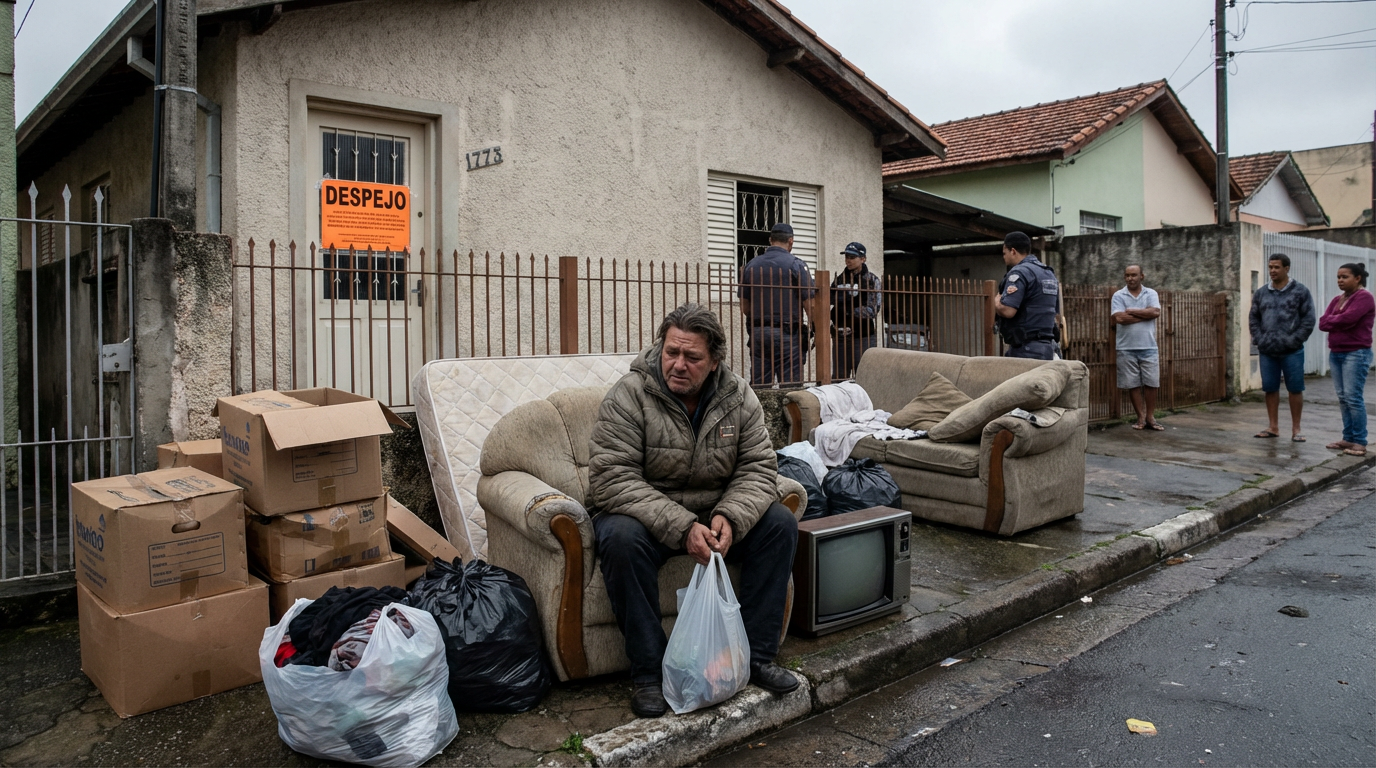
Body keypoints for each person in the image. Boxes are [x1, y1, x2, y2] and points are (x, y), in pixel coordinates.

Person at [588, 303, 801, 718]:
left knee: (779, 523)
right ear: (660, 348)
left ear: (715, 361)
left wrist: (732, 516)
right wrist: (682, 525)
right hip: (648, 516)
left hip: (716, 513)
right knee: (619, 538)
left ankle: (757, 658)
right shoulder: (630, 395)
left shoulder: (738, 396)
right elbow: (611, 477)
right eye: (671, 352)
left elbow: (759, 468)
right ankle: (648, 674)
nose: (678, 365)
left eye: (692, 357)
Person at [1249, 253, 1316, 442]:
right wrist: (1260, 339)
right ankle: (1273, 427)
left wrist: (1294, 340)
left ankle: (1296, 429)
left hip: (1292, 350)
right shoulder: (1262, 292)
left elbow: (1308, 319)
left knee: (1295, 388)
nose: (1272, 271)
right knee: (1270, 388)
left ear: (1287, 268)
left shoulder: (1300, 291)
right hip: (1267, 350)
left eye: (1276, 267)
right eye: (1270, 267)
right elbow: (1254, 317)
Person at [739, 223, 816, 386]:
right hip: (788, 334)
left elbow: (745, 306)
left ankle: (760, 411)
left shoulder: (751, 265)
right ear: (791, 241)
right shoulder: (797, 264)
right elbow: (809, 304)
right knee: (791, 387)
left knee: (760, 385)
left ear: (770, 240)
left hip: (759, 332)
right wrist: (814, 327)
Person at [1317, 262, 1374, 456]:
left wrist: (1336, 321)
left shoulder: (1364, 297)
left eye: (1345, 277)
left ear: (1357, 278)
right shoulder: (1337, 299)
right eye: (1338, 277)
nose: (1340, 280)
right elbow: (1322, 323)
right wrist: (1338, 321)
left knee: (1353, 397)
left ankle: (1359, 441)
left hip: (1356, 353)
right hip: (1337, 352)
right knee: (1343, 397)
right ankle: (1347, 438)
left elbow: (1349, 319)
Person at [993, 231, 1060, 360]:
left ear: (1013, 251)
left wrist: (997, 302)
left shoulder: (1020, 272)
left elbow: (1008, 310)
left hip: (1026, 349)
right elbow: (1055, 312)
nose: (1004, 257)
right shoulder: (1048, 272)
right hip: (1048, 347)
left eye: (1004, 253)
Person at [1111, 265, 1163, 430]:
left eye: (1133, 275)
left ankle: (1150, 417)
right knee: (1132, 384)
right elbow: (1119, 318)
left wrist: (1132, 311)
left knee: (1151, 383)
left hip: (1149, 346)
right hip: (1125, 347)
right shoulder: (1119, 295)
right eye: (1127, 275)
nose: (1130, 278)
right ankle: (1140, 418)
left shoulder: (1151, 293)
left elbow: (1155, 313)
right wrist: (1145, 314)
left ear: (1142, 276)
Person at [830, 241, 882, 380]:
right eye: (846, 257)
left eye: (852, 257)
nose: (848, 261)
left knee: (864, 378)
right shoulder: (839, 279)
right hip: (840, 337)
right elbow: (828, 300)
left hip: (863, 337)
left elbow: (873, 309)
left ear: (863, 259)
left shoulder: (871, 280)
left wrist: (848, 311)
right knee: (839, 379)